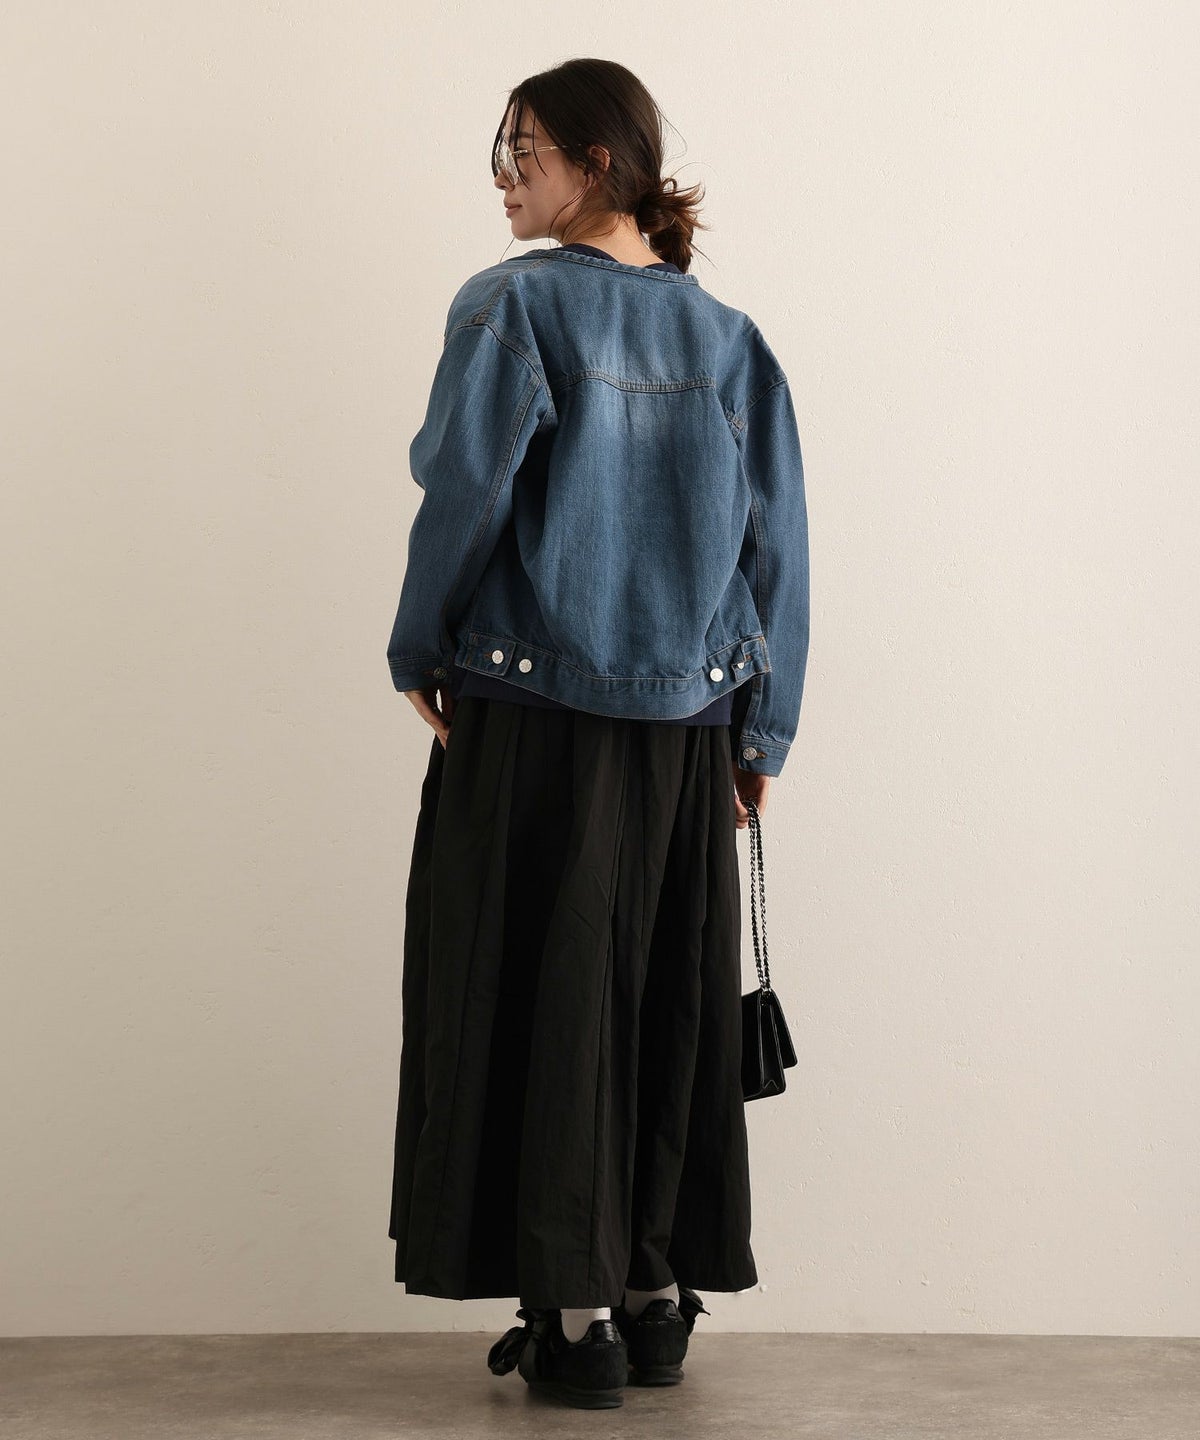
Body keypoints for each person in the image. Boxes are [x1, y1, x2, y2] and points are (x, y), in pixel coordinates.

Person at [384, 58, 810, 1410]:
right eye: (501, 154)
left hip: (532, 716)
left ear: (599, 163)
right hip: (689, 731)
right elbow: (779, 549)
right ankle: (653, 1298)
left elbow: (463, 494)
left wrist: (417, 647)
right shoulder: (728, 338)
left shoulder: (511, 309)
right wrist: (764, 733)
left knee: (535, 994)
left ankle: (573, 1326)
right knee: (657, 998)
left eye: (524, 152)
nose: (505, 178)